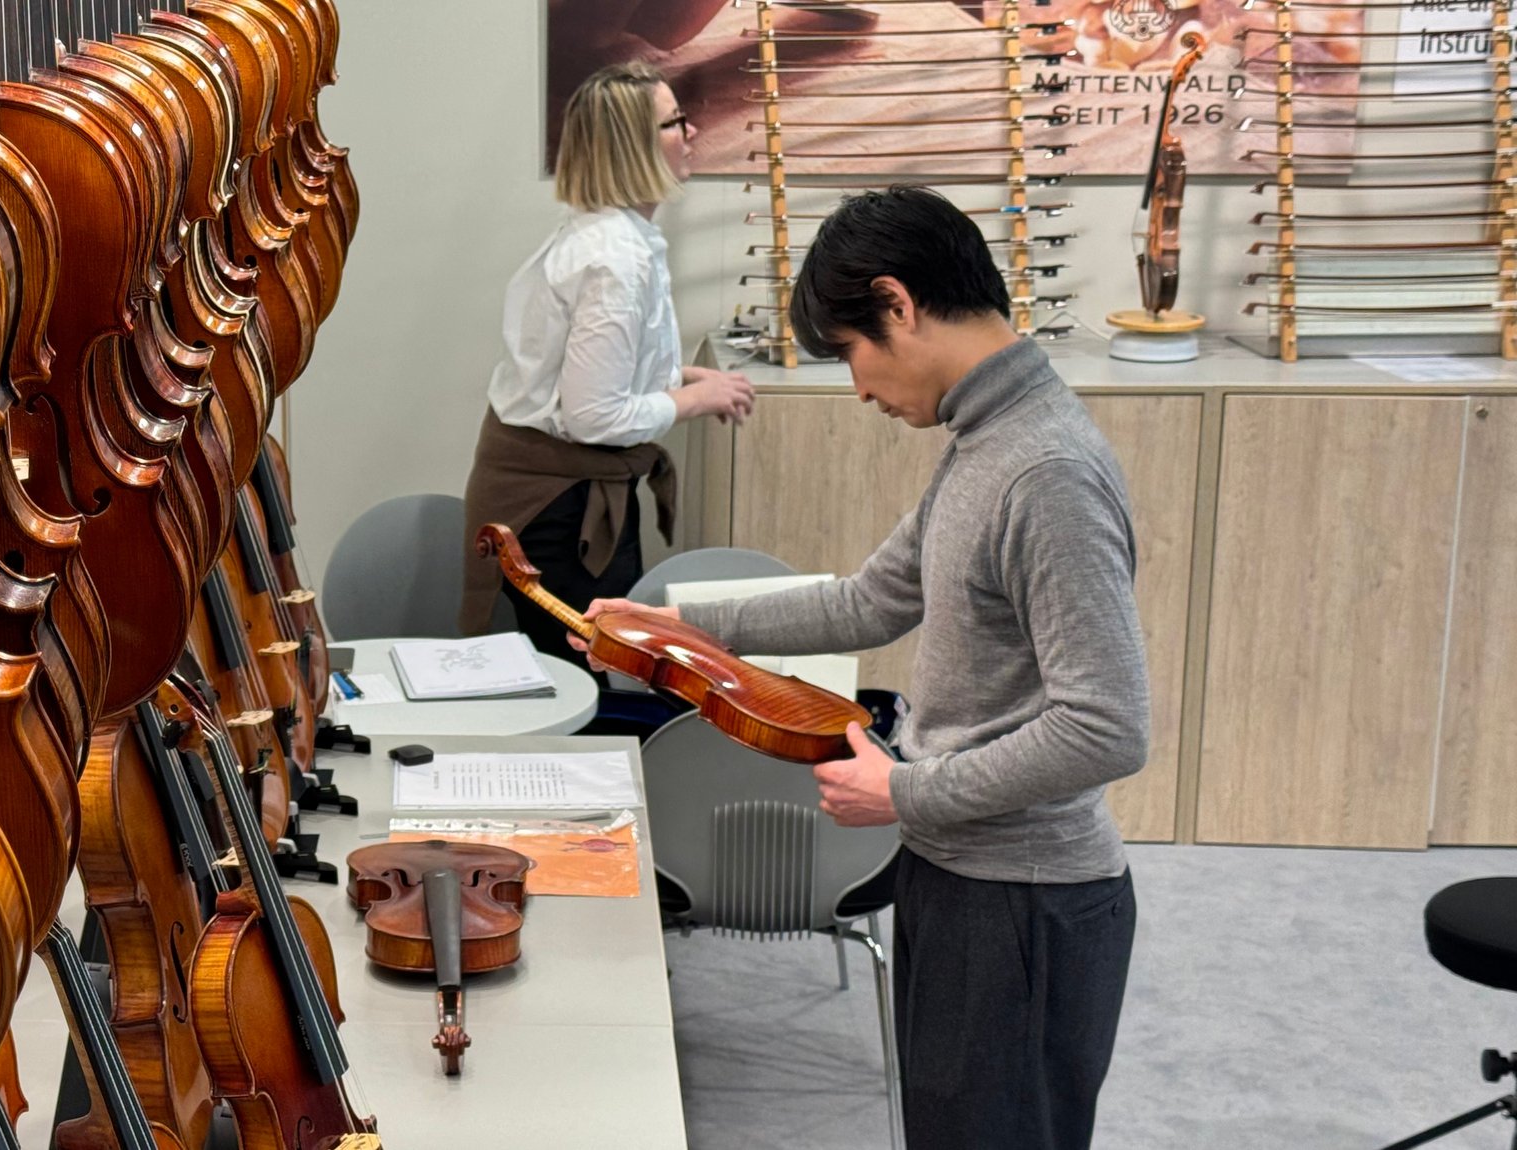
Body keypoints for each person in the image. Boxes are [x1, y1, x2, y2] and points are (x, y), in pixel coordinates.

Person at [580, 186, 1149, 1150]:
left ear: (898, 303)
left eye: (852, 353)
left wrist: (908, 789)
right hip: (960, 869)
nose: (860, 389)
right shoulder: (985, 439)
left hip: (1025, 901)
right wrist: (677, 627)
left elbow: (1109, 726)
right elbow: (868, 599)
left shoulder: (1044, 470)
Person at [458, 61, 756, 664]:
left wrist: (679, 378)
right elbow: (594, 414)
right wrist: (692, 400)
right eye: (674, 122)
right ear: (632, 148)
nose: (691, 132)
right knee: (584, 673)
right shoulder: (614, 260)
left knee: (592, 667)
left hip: (565, 493)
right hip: (555, 507)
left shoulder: (612, 238)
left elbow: (598, 370)